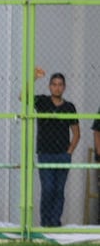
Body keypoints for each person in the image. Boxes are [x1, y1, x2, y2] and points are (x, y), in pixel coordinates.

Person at [32, 67, 80, 227]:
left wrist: (69, 152)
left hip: (62, 155)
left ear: (64, 87)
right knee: (48, 189)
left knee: (59, 190)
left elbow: (76, 133)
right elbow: (22, 96)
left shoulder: (69, 107)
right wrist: (33, 78)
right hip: (45, 154)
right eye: (54, 84)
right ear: (49, 86)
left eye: (60, 84)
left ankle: (55, 223)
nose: (57, 87)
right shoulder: (42, 102)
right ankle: (45, 222)